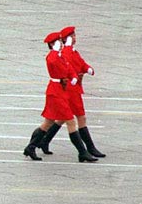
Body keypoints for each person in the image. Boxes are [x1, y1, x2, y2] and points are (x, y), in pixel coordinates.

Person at [23, 32, 97, 163]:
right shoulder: (52, 56)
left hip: (61, 90)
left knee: (48, 122)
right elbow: (51, 62)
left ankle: (31, 147)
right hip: (55, 91)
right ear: (53, 44)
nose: (61, 43)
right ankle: (82, 152)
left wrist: (73, 77)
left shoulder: (60, 55)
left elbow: (68, 67)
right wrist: (54, 50)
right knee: (70, 121)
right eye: (58, 42)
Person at [38, 26, 104, 159]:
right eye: (72, 36)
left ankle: (44, 141)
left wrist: (87, 69)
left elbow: (80, 63)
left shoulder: (73, 51)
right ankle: (88, 148)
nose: (74, 38)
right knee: (78, 117)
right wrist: (67, 48)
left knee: (63, 118)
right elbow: (66, 64)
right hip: (69, 89)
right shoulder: (65, 52)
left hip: (74, 87)